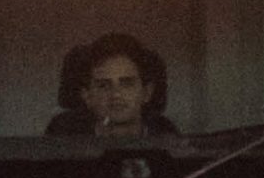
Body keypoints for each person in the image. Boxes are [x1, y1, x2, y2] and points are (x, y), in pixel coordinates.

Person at [46, 32, 180, 141]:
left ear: (146, 93)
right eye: (103, 86)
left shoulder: (168, 139)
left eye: (127, 84)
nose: (116, 94)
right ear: (86, 96)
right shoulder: (63, 141)